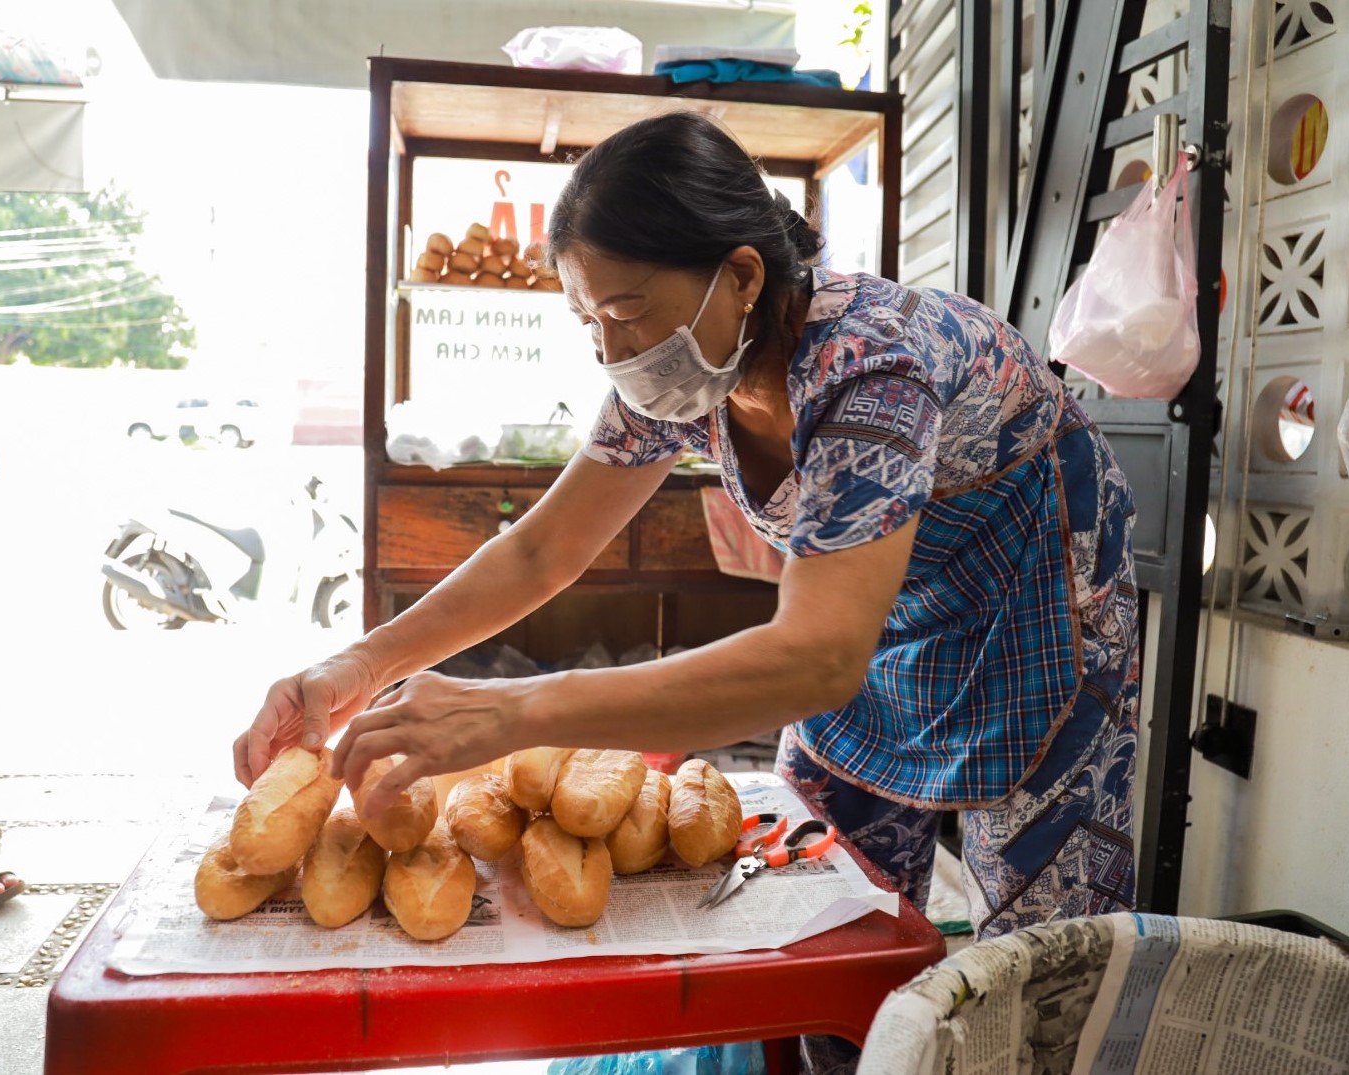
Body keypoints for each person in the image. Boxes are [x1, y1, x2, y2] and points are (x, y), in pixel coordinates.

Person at [235, 111, 1140, 1071]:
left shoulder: (871, 363)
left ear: (743, 276)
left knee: (1040, 975)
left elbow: (817, 657)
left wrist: (508, 714)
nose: (609, 350)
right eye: (588, 319)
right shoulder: (683, 375)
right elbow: (544, 553)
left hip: (1030, 609)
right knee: (815, 899)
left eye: (624, 311)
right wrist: (355, 664)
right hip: (872, 620)